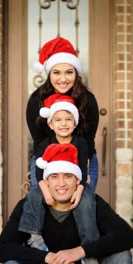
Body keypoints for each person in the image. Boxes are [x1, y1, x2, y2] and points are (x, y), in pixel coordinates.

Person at [0, 143, 133, 264]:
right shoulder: (28, 206)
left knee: (121, 257)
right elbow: (3, 249)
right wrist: (48, 258)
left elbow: (127, 236)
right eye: (54, 176)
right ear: (46, 182)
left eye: (68, 176)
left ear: (77, 180)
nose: (61, 183)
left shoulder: (92, 203)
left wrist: (78, 252)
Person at [19, 94, 100, 264]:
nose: (63, 124)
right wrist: (45, 191)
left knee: (87, 200)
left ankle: (89, 249)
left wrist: (79, 190)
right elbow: (39, 172)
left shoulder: (81, 143)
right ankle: (35, 240)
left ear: (75, 122)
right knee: (33, 195)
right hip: (49, 184)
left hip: (74, 183)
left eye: (68, 119)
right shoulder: (45, 143)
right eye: (58, 120)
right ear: (50, 124)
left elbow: (83, 169)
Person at [27, 36, 99, 192]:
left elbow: (88, 140)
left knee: (83, 204)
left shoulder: (88, 100)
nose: (63, 79)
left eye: (69, 72)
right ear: (49, 74)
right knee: (41, 203)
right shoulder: (36, 101)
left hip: (82, 158)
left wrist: (82, 174)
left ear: (76, 73)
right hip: (45, 157)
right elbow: (39, 141)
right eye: (56, 73)